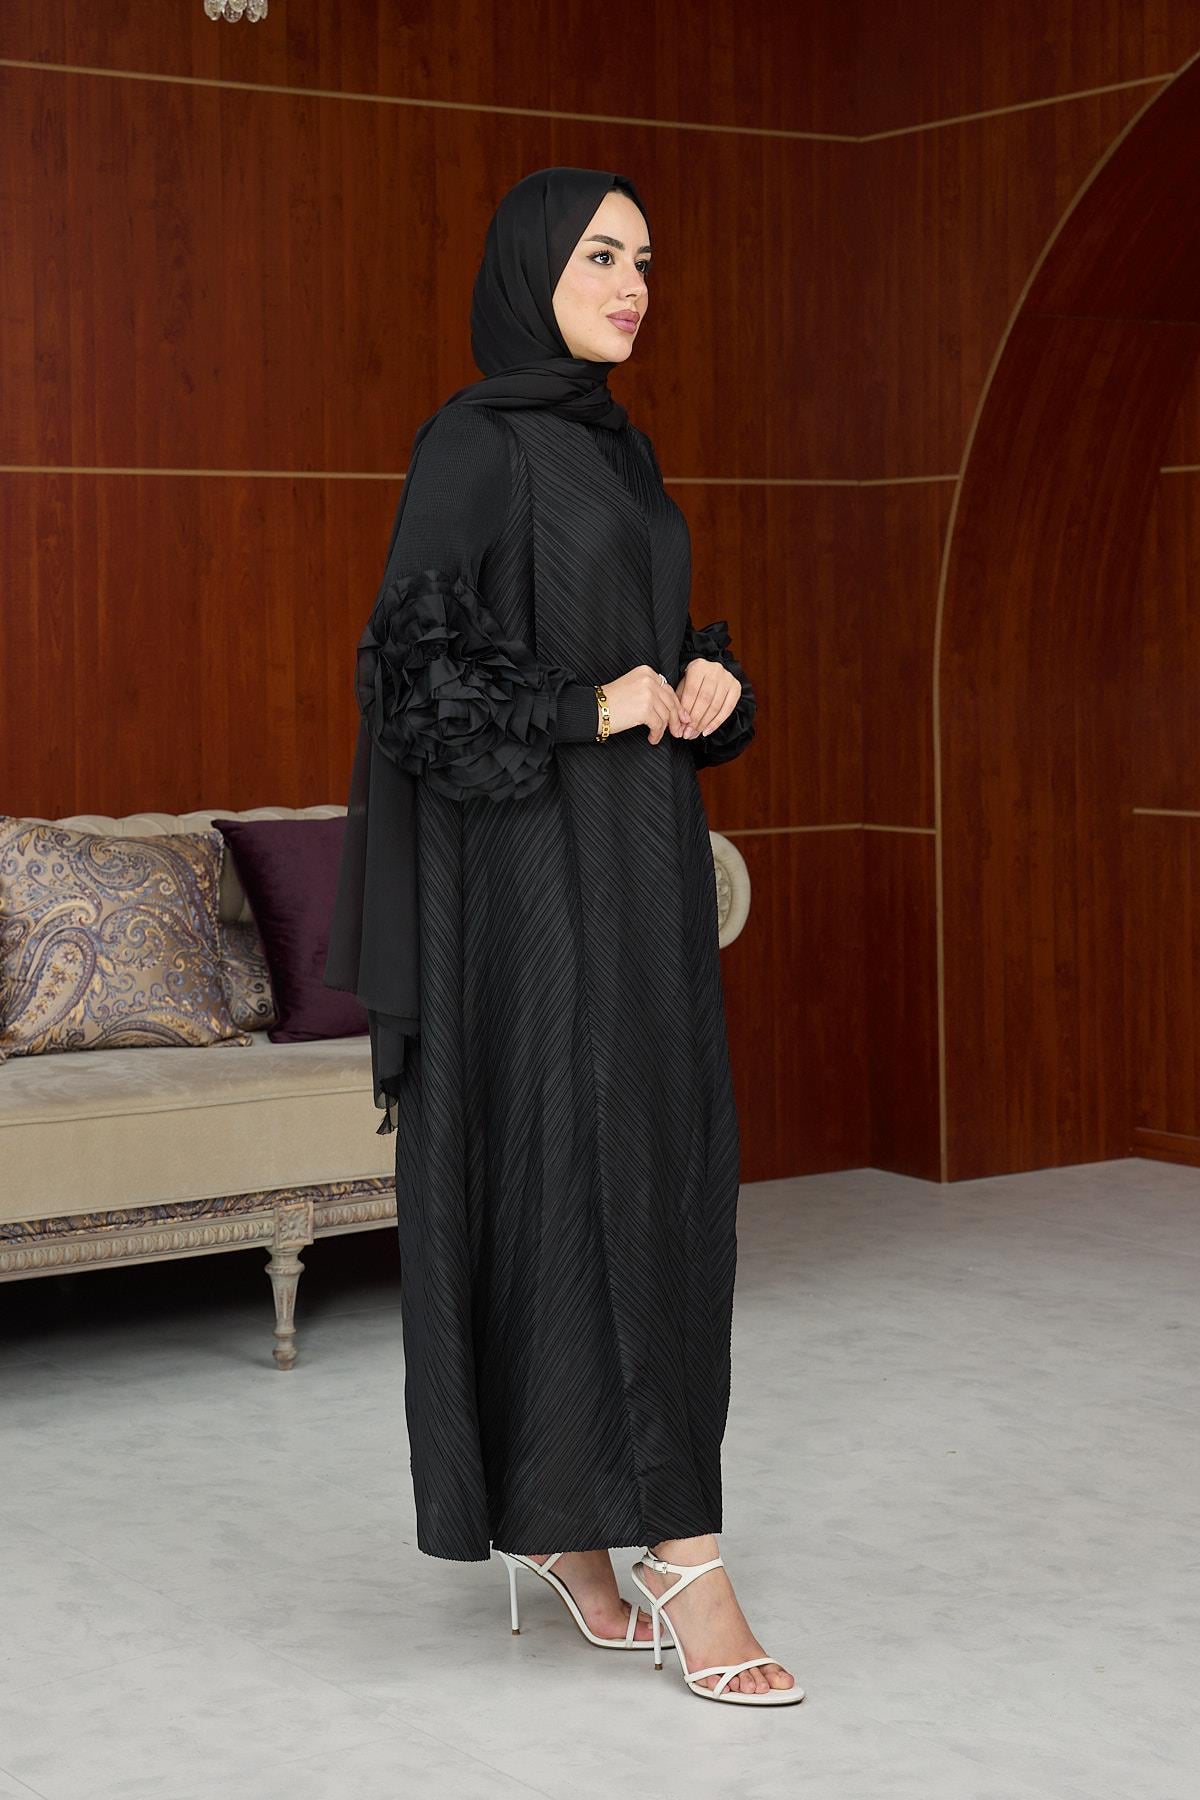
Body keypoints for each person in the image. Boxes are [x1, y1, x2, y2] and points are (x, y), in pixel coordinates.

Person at [324, 166, 801, 1705]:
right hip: (535, 887)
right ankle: (687, 1553)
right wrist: (591, 706)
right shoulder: (473, 442)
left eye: (646, 259)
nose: (633, 283)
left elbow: (629, 641)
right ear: (531, 267)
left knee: (660, 1175)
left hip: (642, 868)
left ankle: (569, 1524)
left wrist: (708, 685)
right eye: (602, 255)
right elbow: (412, 680)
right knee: (589, 1184)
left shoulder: (619, 445)